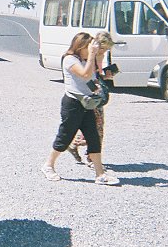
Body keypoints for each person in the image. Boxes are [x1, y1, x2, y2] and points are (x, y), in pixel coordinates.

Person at [41, 32, 120, 185]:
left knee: (93, 138)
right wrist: (92, 56)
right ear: (80, 47)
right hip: (73, 104)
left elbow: (90, 79)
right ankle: (48, 165)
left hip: (87, 103)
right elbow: (84, 75)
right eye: (88, 47)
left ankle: (100, 174)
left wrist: (97, 87)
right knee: (65, 136)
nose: (91, 50)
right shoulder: (70, 60)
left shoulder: (85, 60)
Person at [66, 31, 117, 167]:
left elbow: (96, 75)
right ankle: (91, 157)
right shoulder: (89, 56)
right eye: (103, 48)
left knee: (95, 125)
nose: (104, 52)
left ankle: (74, 145)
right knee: (97, 127)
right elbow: (86, 76)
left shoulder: (99, 55)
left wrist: (105, 76)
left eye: (107, 49)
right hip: (90, 94)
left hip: (96, 93)